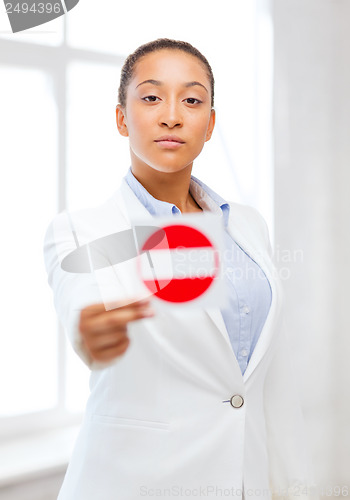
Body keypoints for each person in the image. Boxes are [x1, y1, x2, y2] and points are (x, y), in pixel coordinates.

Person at [43, 38, 317, 500]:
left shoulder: (247, 224)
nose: (172, 115)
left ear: (209, 124)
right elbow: (80, 303)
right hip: (135, 484)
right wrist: (88, 329)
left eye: (192, 100)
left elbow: (261, 378)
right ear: (121, 117)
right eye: (151, 97)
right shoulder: (81, 230)